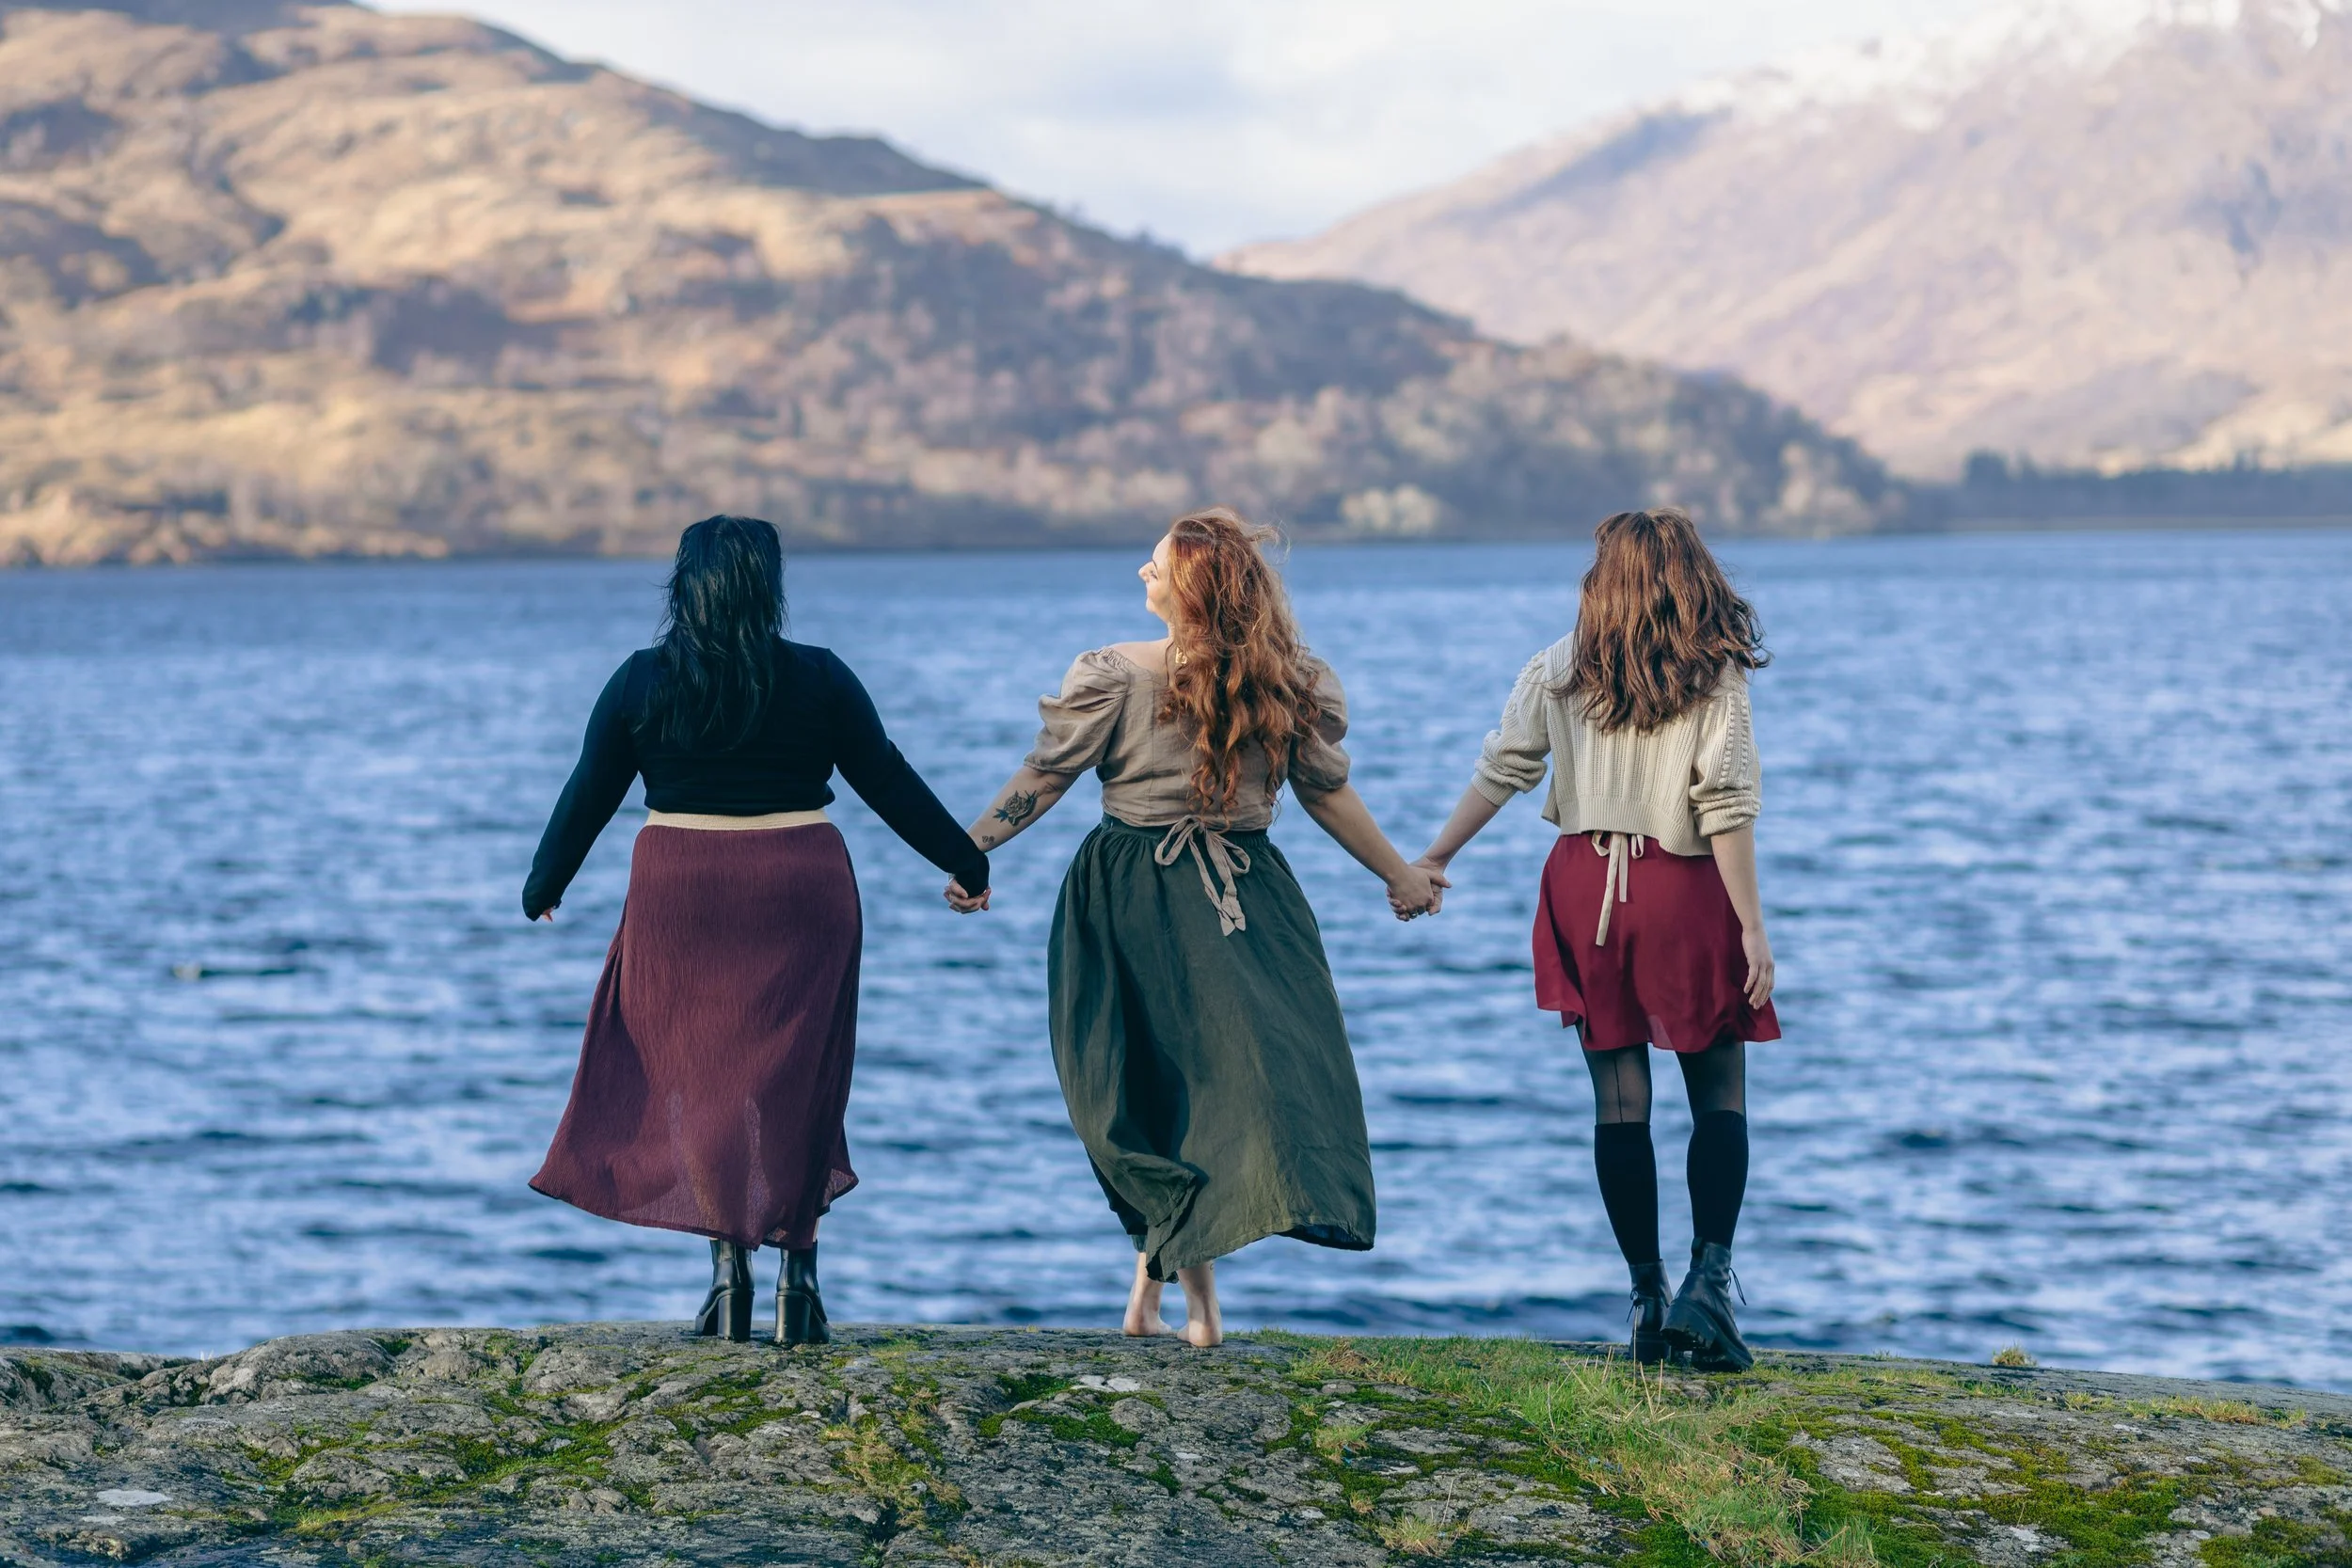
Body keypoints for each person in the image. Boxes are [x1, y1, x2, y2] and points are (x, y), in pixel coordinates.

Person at [950, 507, 1437, 1347]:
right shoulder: (1277, 677)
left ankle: (1192, 1309)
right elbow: (1325, 796)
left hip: (1145, 895)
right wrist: (1398, 875)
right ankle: (1156, 1303)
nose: (1142, 574)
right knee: (1175, 1097)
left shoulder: (1129, 674)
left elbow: (1046, 774)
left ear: (1191, 589)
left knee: (1147, 1095)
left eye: (1155, 565)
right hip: (1239, 902)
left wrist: (969, 850)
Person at [521, 515, 989, 1345]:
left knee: (698, 1080)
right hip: (798, 882)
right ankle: (797, 1285)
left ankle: (727, 1278)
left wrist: (544, 882)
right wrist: (965, 860)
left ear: (684, 585)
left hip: (680, 889)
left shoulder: (642, 679)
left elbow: (588, 787)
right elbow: (886, 776)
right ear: (765, 586)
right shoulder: (819, 676)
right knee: (800, 1078)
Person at [1413, 507, 1778, 1370]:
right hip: (1680, 886)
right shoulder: (1712, 670)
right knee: (1717, 1090)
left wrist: (1434, 856)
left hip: (1582, 887)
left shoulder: (1561, 664)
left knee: (1620, 1099)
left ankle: (1648, 1298)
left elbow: (1505, 764)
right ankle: (1709, 1287)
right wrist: (1754, 928)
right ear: (1690, 576)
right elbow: (1723, 803)